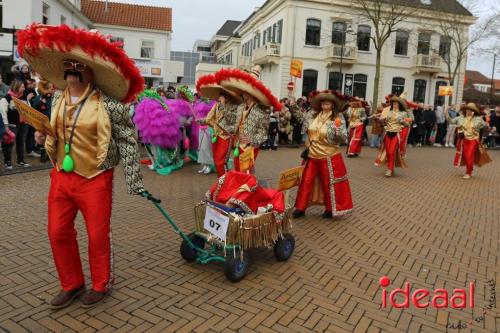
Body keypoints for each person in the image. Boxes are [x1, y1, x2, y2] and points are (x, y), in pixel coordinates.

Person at [18, 24, 145, 308]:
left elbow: (127, 139)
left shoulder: (109, 104)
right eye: (68, 64)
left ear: (91, 71)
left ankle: (101, 284)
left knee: (97, 235)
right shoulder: (57, 99)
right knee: (57, 232)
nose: (72, 69)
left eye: (78, 64)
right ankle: (72, 283)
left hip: (96, 177)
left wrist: (134, 180)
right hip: (62, 176)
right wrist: (42, 135)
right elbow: (56, 132)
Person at [293, 90, 353, 219]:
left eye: (328, 104)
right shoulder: (313, 115)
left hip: (329, 156)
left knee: (328, 183)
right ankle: (300, 208)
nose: (325, 106)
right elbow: (301, 120)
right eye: (323, 104)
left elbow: (343, 138)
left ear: (332, 105)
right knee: (306, 181)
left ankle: (330, 209)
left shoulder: (338, 117)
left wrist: (337, 132)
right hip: (312, 155)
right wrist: (292, 105)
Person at [219, 67, 279, 173]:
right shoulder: (240, 107)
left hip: (250, 147)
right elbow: (232, 122)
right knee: (239, 172)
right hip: (238, 146)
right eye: (243, 89)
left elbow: (264, 134)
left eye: (246, 89)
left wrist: (251, 140)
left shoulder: (261, 110)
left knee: (245, 173)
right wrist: (223, 127)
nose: (242, 92)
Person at [445, 103, 489, 179]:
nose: (468, 111)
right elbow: (451, 121)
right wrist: (446, 113)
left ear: (474, 111)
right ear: (465, 110)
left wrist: (487, 118)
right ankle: (470, 170)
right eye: (467, 109)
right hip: (464, 140)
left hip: (473, 140)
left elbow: (486, 125)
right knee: (466, 156)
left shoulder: (478, 119)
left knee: (469, 156)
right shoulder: (460, 118)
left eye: (471, 110)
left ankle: (468, 172)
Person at [374, 94, 411, 177]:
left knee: (391, 152)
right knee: (387, 152)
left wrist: (402, 121)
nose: (394, 104)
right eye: (393, 103)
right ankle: (390, 168)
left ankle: (389, 169)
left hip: (396, 134)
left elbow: (407, 125)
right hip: (388, 134)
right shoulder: (388, 112)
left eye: (396, 103)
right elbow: (383, 122)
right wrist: (378, 120)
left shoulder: (403, 113)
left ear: (399, 104)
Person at [0, 79, 31, 169]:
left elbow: (29, 110)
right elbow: (3, 113)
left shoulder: (24, 98)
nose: (24, 88)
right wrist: (6, 126)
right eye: (22, 87)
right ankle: (7, 162)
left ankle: (21, 160)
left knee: (21, 143)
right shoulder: (6, 98)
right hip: (11, 125)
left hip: (23, 124)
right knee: (9, 144)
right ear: (16, 87)